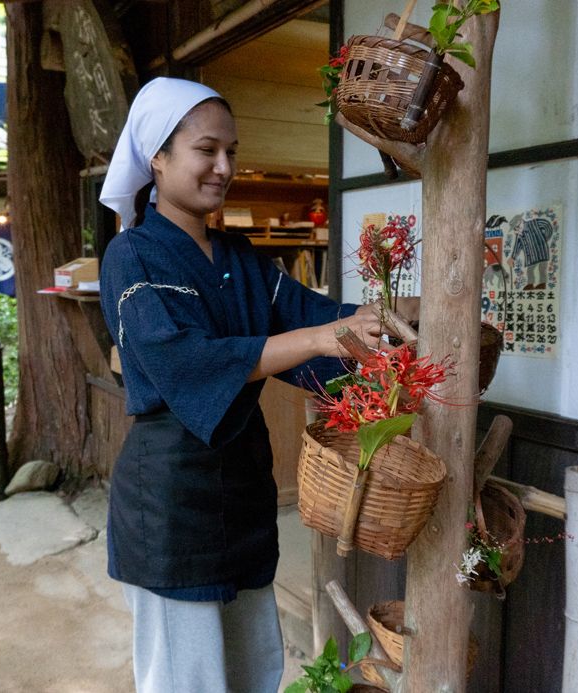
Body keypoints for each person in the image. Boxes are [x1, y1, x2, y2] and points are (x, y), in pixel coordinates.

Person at [98, 77, 382, 693]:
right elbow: (183, 359)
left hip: (245, 489)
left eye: (231, 150)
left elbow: (313, 316)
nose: (224, 166)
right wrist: (318, 340)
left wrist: (386, 320)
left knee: (256, 669)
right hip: (171, 501)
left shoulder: (241, 257)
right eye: (206, 150)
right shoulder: (131, 256)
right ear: (158, 158)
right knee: (187, 679)